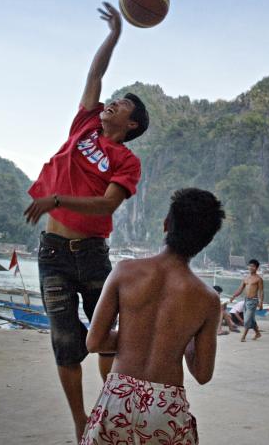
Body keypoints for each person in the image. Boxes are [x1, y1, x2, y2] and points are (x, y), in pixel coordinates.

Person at [23, 2, 150, 440]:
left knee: (105, 336)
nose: (109, 104)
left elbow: (108, 206)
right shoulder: (84, 125)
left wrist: (57, 196)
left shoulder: (126, 159)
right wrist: (113, 36)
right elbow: (94, 76)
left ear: (130, 124)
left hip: (92, 255)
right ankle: (81, 424)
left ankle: (109, 411)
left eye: (119, 106)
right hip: (53, 254)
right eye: (112, 101)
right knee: (64, 342)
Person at [82, 188, 225, 445]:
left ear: (166, 224)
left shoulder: (124, 272)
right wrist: (178, 338)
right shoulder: (208, 300)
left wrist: (132, 338)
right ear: (206, 241)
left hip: (118, 397)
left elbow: (94, 342)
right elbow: (203, 373)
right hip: (166, 406)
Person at [230, 259, 264, 342]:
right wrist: (233, 296)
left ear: (256, 268)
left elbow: (261, 291)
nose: (251, 267)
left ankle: (243, 336)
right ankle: (257, 333)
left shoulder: (259, 279)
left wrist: (261, 302)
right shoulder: (246, 278)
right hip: (246, 300)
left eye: (253, 266)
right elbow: (240, 289)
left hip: (253, 301)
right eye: (250, 266)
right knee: (251, 319)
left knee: (247, 319)